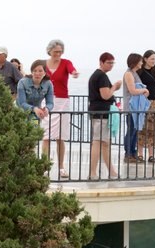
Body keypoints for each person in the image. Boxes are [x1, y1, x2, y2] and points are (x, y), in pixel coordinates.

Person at [40, 39, 79, 178]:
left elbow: (71, 69)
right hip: (47, 100)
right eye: (55, 51)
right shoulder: (43, 64)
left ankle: (61, 167)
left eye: (60, 51)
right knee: (46, 136)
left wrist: (74, 73)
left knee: (60, 137)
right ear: (49, 51)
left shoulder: (66, 62)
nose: (58, 54)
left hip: (62, 101)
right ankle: (44, 167)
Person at [88, 52, 123, 180]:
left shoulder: (97, 76)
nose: (111, 65)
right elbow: (105, 95)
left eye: (112, 63)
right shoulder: (101, 76)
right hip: (101, 113)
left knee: (104, 143)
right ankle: (93, 172)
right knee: (98, 141)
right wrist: (114, 87)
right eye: (108, 62)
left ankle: (112, 171)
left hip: (99, 112)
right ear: (101, 62)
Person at [122, 53, 150, 163]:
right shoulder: (129, 74)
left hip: (136, 108)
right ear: (135, 61)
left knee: (134, 131)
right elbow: (132, 90)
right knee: (131, 131)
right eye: (140, 61)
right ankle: (128, 154)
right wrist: (144, 90)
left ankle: (132, 153)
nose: (142, 63)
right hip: (131, 107)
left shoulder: (134, 73)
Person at [137, 50, 155, 163]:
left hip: (154, 102)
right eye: (152, 59)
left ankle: (151, 155)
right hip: (144, 102)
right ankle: (140, 154)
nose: (154, 61)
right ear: (145, 59)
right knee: (142, 128)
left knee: (153, 129)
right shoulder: (140, 72)